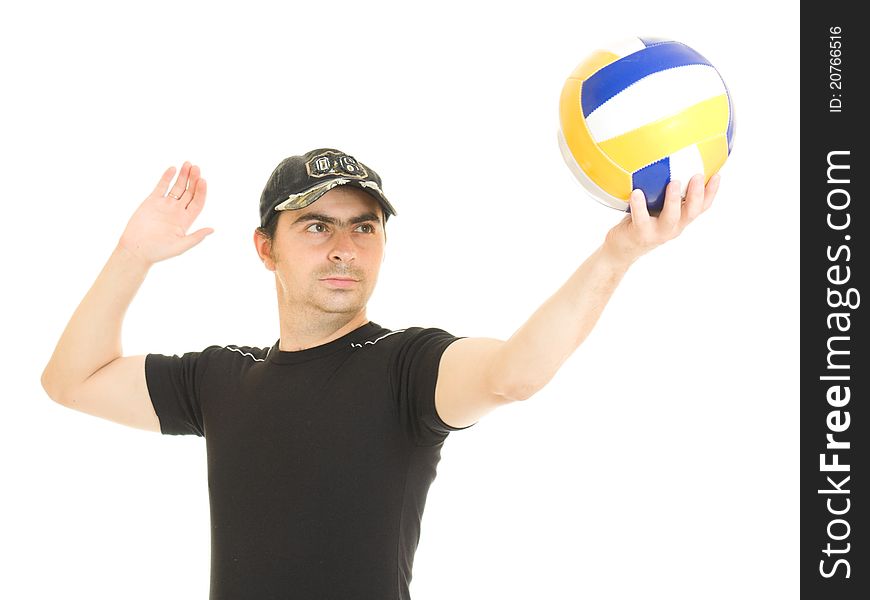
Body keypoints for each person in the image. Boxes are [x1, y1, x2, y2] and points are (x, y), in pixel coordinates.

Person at [41, 147, 720, 599]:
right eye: (316, 227)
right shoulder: (221, 378)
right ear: (265, 248)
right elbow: (70, 380)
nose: (344, 249)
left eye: (364, 228)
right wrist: (134, 253)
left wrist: (617, 254)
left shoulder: (406, 368)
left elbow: (515, 372)